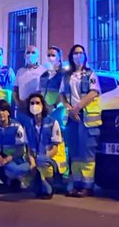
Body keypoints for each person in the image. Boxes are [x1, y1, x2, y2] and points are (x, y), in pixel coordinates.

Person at [61, 43, 101, 197]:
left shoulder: (90, 74)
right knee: (75, 152)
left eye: (81, 53)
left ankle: (87, 185)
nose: (78, 56)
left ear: (85, 56)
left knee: (87, 153)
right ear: (71, 57)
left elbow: (93, 93)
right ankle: (77, 184)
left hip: (86, 117)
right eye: (75, 53)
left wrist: (77, 108)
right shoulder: (67, 76)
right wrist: (69, 109)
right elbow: (62, 95)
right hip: (72, 118)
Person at [39, 45, 70, 185]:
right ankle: (49, 172)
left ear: (59, 57)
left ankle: (64, 175)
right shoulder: (44, 75)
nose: (50, 57)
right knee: (48, 142)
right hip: (46, 113)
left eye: (53, 55)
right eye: (48, 55)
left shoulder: (64, 74)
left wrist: (54, 106)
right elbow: (40, 93)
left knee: (61, 143)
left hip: (58, 112)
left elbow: (63, 93)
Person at [24, 92, 64, 199]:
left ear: (43, 105)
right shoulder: (28, 125)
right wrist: (32, 162)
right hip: (35, 158)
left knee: (42, 162)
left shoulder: (52, 122)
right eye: (32, 103)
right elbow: (28, 148)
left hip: (51, 158)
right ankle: (38, 183)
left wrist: (45, 158)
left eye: (37, 103)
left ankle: (49, 185)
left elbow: (55, 148)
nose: (34, 106)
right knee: (20, 169)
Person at [15, 45, 46, 120]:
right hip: (22, 108)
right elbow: (15, 90)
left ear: (38, 55)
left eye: (33, 52)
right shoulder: (20, 71)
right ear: (24, 56)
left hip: (36, 107)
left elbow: (44, 90)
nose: (30, 54)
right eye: (28, 52)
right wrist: (18, 103)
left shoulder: (43, 71)